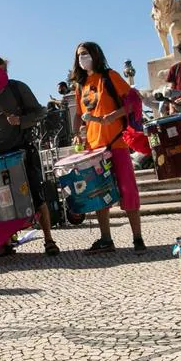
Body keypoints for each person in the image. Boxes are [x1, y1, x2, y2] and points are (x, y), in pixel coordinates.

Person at [0, 57, 62, 256]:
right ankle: (7, 241)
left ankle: (49, 239)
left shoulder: (18, 88)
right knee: (1, 201)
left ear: (4, 67)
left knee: (37, 195)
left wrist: (20, 120)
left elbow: (40, 112)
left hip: (22, 150)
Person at [71, 42, 145, 253]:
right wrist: (76, 133)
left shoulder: (110, 76)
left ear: (95, 55)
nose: (82, 58)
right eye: (79, 55)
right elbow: (78, 114)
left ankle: (137, 238)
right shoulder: (80, 85)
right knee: (98, 193)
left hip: (117, 143)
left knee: (128, 190)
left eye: (85, 54)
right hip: (94, 148)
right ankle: (106, 239)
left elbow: (133, 102)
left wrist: (113, 115)